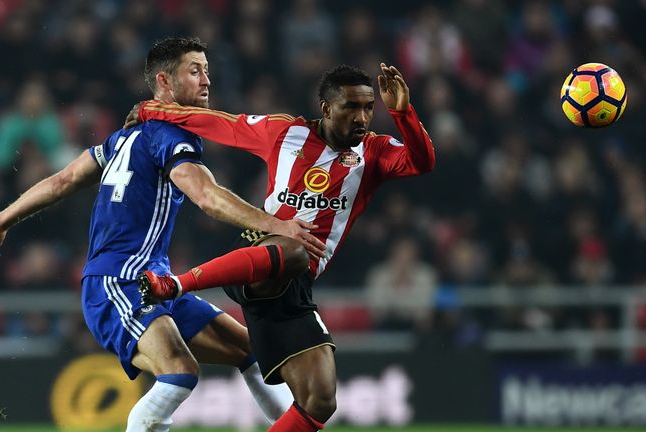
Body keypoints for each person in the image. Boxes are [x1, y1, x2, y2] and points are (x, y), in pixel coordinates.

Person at [0, 37, 326, 432]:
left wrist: (1, 220)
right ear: (165, 81)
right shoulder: (168, 135)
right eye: (194, 70)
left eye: (207, 70)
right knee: (179, 373)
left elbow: (63, 180)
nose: (206, 80)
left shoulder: (123, 138)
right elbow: (206, 196)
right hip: (117, 281)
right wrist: (276, 225)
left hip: (154, 281)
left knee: (247, 349)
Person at [130, 63, 435, 431]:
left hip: (295, 286)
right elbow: (219, 124)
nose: (363, 117)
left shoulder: (374, 153)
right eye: (351, 107)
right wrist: (152, 110)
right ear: (326, 108)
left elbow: (422, 162)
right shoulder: (285, 132)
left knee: (320, 400)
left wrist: (402, 112)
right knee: (293, 248)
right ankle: (176, 284)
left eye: (369, 108)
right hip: (258, 254)